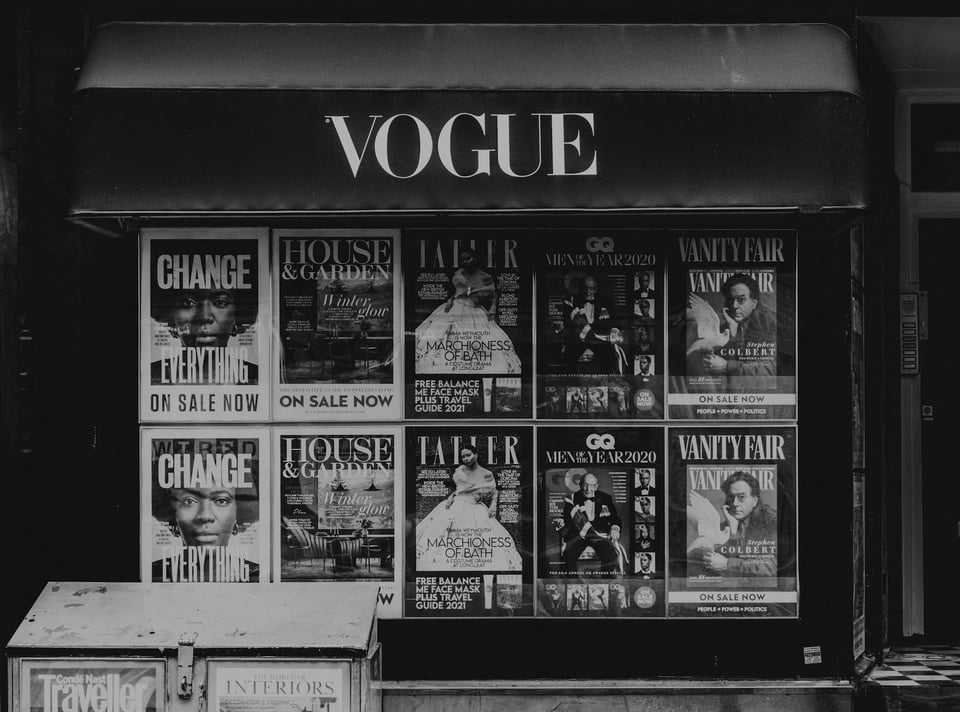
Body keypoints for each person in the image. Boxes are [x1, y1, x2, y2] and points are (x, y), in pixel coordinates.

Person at [415, 444, 522, 571]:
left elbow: (494, 491)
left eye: (468, 455)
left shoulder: (486, 473)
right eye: (463, 456)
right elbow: (460, 489)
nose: (466, 458)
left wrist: (493, 505)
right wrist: (451, 496)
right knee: (446, 536)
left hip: (475, 507)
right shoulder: (461, 470)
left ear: (475, 455)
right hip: (457, 505)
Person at [414, 247, 521, 374]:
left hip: (473, 310)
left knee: (475, 341)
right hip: (454, 308)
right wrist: (450, 300)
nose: (465, 262)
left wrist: (492, 309)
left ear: (475, 259)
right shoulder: (459, 273)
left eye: (468, 259)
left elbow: (493, 296)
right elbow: (458, 292)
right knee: (442, 339)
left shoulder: (485, 277)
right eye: (462, 260)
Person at [150, 264, 260, 385]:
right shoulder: (149, 377)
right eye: (188, 303)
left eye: (221, 302)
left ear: (237, 315)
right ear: (171, 316)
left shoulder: (258, 378)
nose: (204, 317)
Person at [152, 468, 260, 582]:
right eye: (189, 501)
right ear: (172, 516)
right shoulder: (151, 575)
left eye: (221, 501)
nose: (205, 516)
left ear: (237, 517)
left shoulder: (258, 576)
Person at [699, 273, 776, 382]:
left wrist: (727, 366)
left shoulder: (770, 324)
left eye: (741, 300)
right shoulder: (727, 327)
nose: (734, 305)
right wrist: (733, 333)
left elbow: (770, 370)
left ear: (753, 303)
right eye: (731, 299)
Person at [700, 471, 778, 576]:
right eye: (731, 498)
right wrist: (733, 533)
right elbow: (715, 566)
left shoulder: (773, 521)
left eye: (742, 497)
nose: (735, 503)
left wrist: (728, 563)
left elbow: (772, 566)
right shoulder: (727, 524)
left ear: (754, 500)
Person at [561, 472, 624, 573]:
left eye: (592, 486)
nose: (588, 489)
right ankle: (572, 586)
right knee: (568, 557)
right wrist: (561, 522)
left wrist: (615, 527)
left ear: (596, 486)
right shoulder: (572, 499)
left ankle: (606, 585)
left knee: (610, 555)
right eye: (585, 485)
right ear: (580, 485)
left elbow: (615, 517)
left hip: (598, 536)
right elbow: (566, 519)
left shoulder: (605, 498)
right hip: (578, 536)